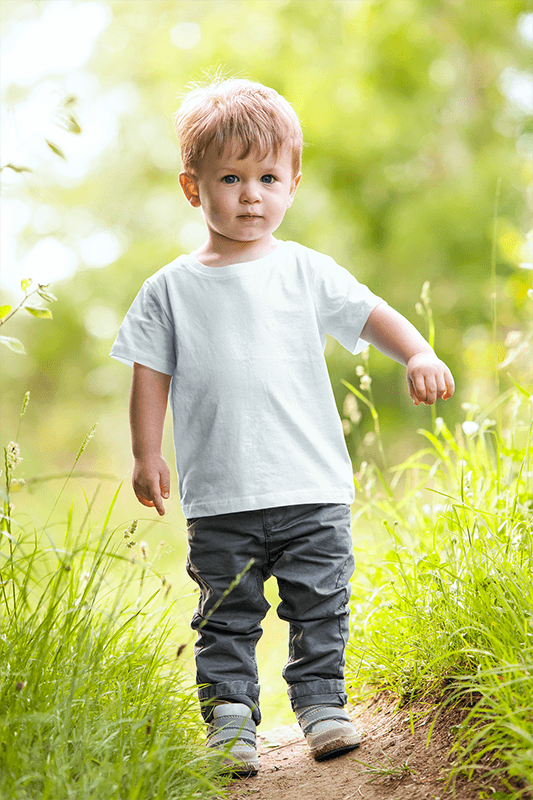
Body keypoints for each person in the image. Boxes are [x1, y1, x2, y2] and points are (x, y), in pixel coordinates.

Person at [110, 77, 454, 777]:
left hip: (310, 484)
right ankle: (229, 718)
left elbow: (369, 314)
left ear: (292, 184)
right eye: (230, 177)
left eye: (267, 177)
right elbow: (148, 372)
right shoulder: (169, 289)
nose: (249, 194)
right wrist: (147, 454)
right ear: (191, 187)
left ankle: (322, 702)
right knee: (225, 615)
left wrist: (416, 350)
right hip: (221, 496)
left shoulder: (305, 271)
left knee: (319, 603)